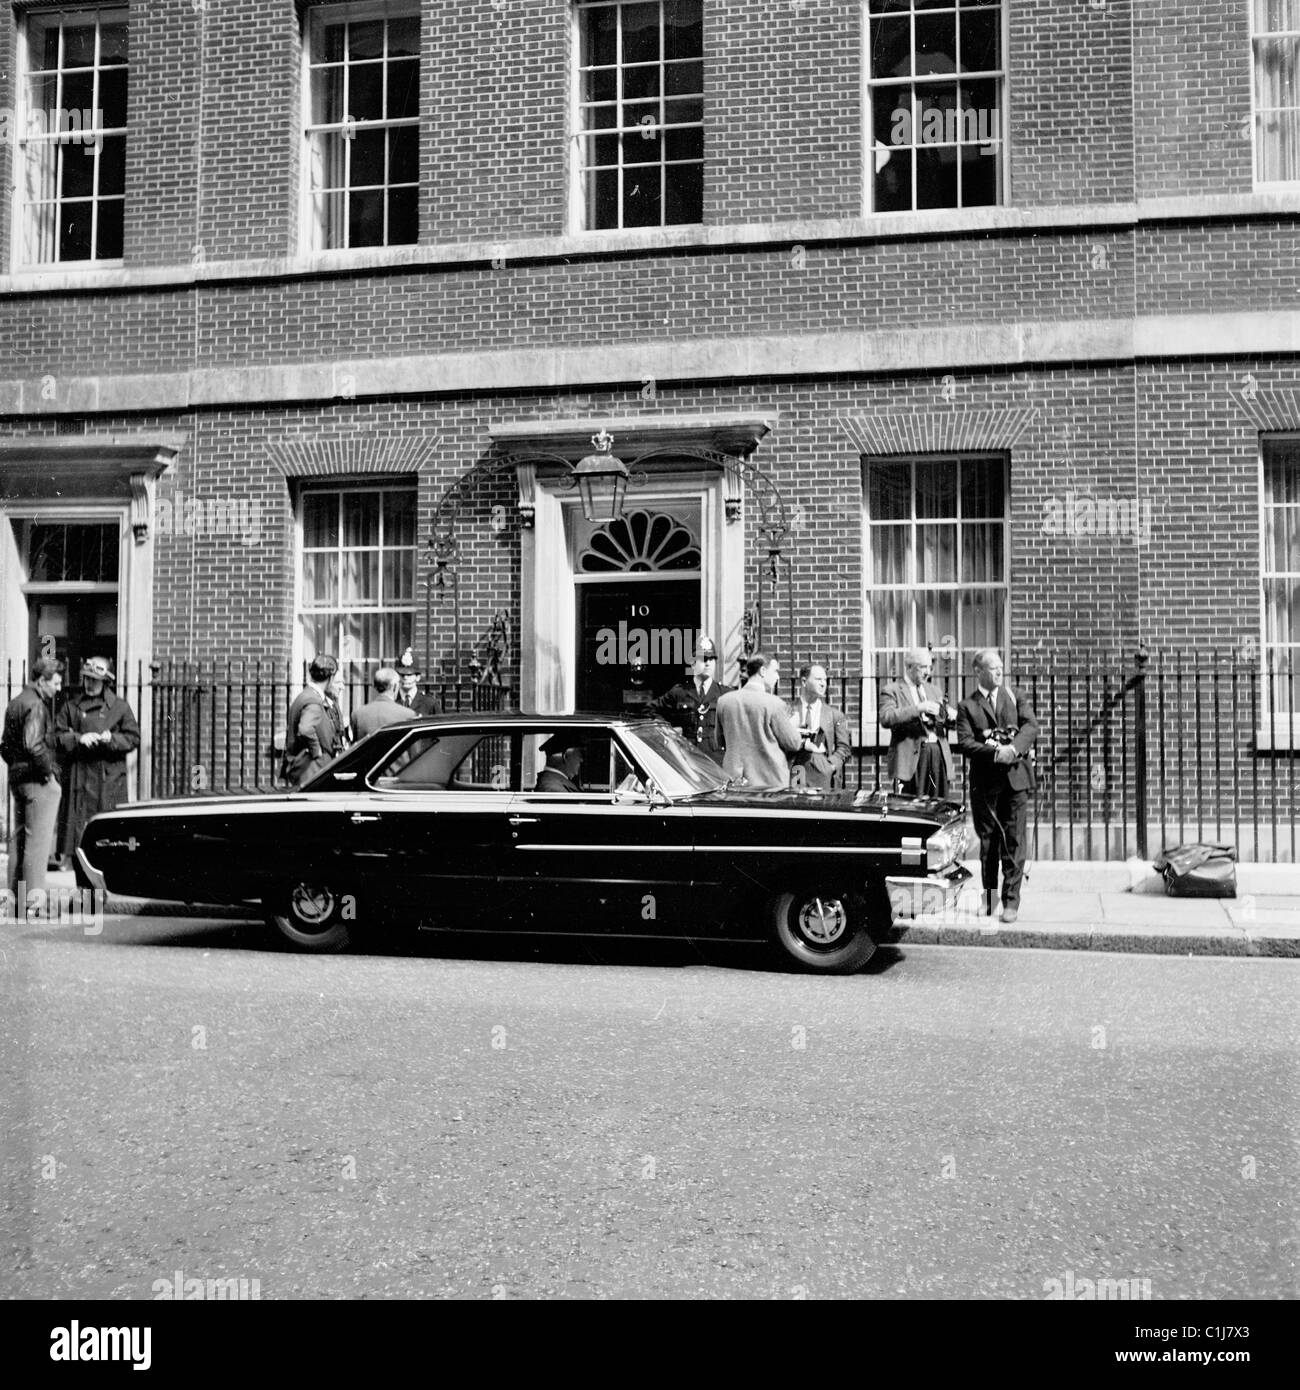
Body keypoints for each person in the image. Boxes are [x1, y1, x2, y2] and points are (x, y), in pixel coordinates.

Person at [955, 648, 1039, 924]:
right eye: (993, 668)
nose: (999, 672)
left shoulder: (1015, 697)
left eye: (1000, 667)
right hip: (985, 784)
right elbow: (966, 743)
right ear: (978, 671)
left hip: (1016, 780)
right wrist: (994, 753)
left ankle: (1011, 901)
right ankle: (989, 898)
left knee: (1014, 841)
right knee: (989, 842)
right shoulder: (967, 706)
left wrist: (1013, 750)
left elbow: (1031, 727)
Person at [54, 656, 140, 865]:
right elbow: (56, 736)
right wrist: (79, 738)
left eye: (94, 680)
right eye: (87, 679)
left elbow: (133, 738)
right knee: (78, 843)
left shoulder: (120, 707)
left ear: (106, 682)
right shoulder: (71, 707)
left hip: (108, 781)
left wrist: (112, 739)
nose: (89, 684)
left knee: (106, 842)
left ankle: (99, 895)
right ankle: (85, 893)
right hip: (79, 780)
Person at [1, 658, 64, 912]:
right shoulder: (37, 705)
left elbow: (4, 745)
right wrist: (48, 773)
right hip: (38, 781)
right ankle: (34, 903)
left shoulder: (15, 702)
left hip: (18, 779)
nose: (58, 688)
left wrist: (16, 767)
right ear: (42, 681)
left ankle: (15, 899)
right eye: (56, 683)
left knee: (19, 840)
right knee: (37, 843)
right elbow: (34, 745)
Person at [879, 646, 957, 797]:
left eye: (929, 667)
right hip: (911, 757)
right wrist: (918, 708)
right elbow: (886, 717)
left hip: (937, 753)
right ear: (909, 667)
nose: (928, 672)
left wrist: (950, 716)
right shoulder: (892, 690)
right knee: (911, 807)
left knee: (939, 803)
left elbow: (944, 721)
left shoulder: (934, 690)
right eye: (922, 667)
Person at [716, 653, 802, 790]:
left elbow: (720, 741)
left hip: (735, 784)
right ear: (762, 671)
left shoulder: (724, 701)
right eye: (775, 671)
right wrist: (793, 724)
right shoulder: (774, 703)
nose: (777, 676)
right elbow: (794, 743)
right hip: (770, 785)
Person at [654, 635, 730, 764]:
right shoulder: (679, 692)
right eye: (703, 659)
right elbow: (651, 710)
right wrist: (667, 731)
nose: (708, 663)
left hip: (716, 761)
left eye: (712, 659)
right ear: (693, 663)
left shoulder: (725, 694)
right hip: (686, 760)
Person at [282, 654, 344, 788]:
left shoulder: (306, 695)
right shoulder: (313, 700)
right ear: (330, 677)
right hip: (312, 769)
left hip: (309, 769)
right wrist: (317, 752)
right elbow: (305, 729)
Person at [787, 662, 851, 789]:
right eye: (818, 679)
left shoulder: (834, 715)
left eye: (825, 680)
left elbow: (844, 748)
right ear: (804, 682)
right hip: (795, 770)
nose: (823, 683)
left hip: (822, 774)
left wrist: (830, 766)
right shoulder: (788, 711)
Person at [351, 666, 417, 741]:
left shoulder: (358, 714)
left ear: (375, 686)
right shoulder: (408, 715)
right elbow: (414, 751)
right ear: (395, 687)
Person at [395, 648, 440, 716]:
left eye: (409, 675)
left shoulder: (429, 703)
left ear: (418, 677)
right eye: (402, 675)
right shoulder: (392, 701)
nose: (405, 677)